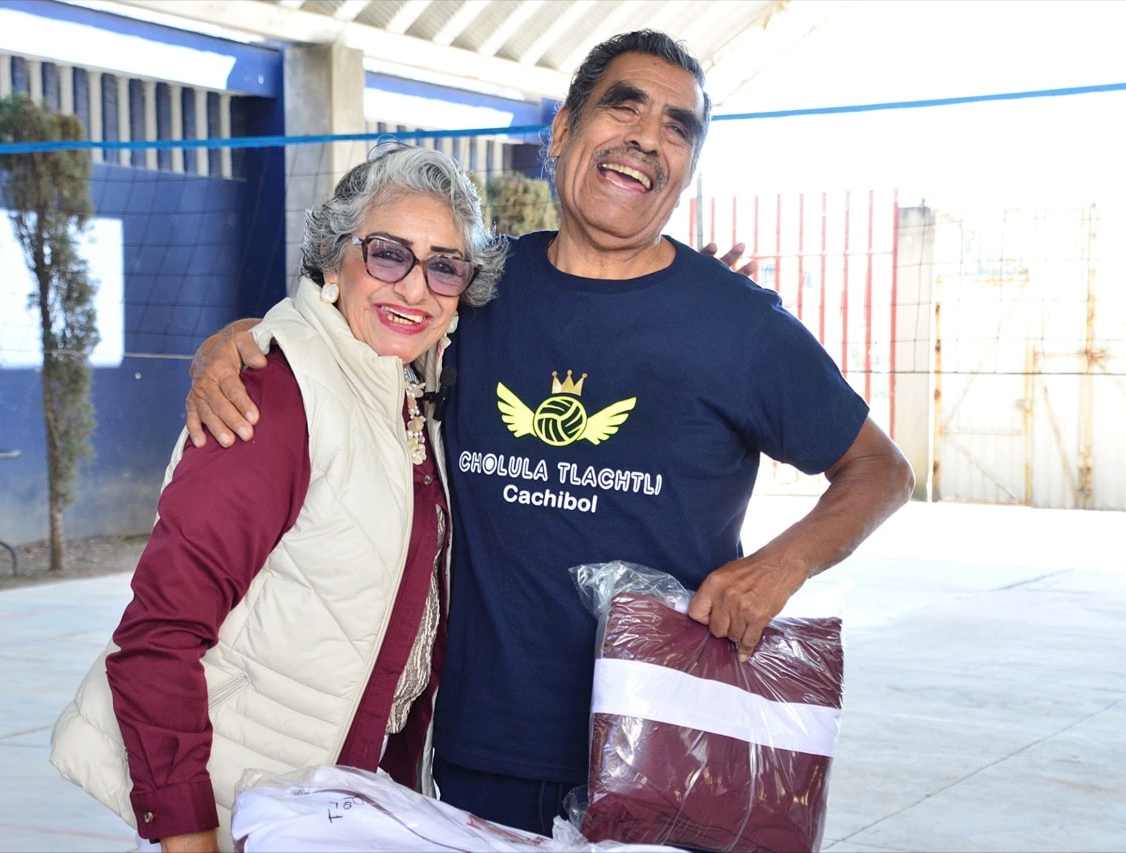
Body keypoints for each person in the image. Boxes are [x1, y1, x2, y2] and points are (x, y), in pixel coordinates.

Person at [184, 30, 915, 837]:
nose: (647, 136)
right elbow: (349, 324)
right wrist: (246, 337)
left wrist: (780, 564)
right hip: (476, 748)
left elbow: (879, 468)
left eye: (678, 127)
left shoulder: (741, 327)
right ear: (563, 129)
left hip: (662, 748)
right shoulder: (476, 287)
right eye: (624, 106)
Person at [49, 145, 508, 853]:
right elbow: (157, 636)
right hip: (237, 817)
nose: (416, 288)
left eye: (444, 264)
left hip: (341, 812)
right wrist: (187, 834)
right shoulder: (272, 391)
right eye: (388, 254)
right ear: (332, 260)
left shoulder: (409, 389)